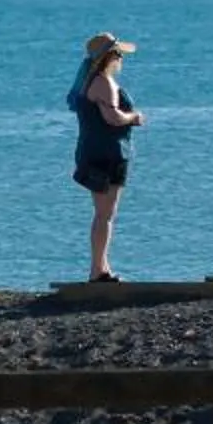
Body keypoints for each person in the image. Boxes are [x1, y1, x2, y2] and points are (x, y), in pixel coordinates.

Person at [66, 33, 144, 283]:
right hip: (108, 153)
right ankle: (98, 269)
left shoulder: (87, 82)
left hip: (93, 150)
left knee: (102, 213)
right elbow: (112, 118)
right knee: (105, 214)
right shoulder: (103, 83)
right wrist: (134, 117)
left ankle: (101, 266)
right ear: (108, 56)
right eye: (118, 53)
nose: (121, 58)